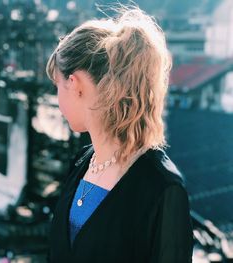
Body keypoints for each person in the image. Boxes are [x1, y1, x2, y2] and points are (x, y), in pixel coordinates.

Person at [45, 6, 193, 263]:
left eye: (57, 86)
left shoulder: (163, 187)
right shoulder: (82, 162)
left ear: (74, 83)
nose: (57, 100)